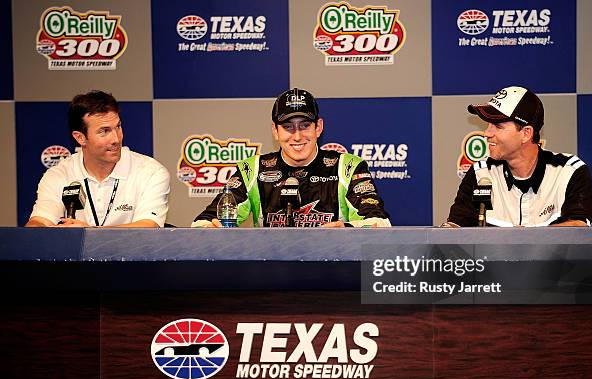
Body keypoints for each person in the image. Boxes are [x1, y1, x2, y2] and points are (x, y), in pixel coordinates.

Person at [192, 88, 391, 228]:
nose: (297, 136)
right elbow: (203, 222)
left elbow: (379, 223)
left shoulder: (348, 167)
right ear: (275, 131)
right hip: (270, 275)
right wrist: (212, 227)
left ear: (318, 127)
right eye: (288, 127)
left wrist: (347, 230)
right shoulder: (252, 168)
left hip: (333, 271)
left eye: (304, 125)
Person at [445, 86, 592, 227]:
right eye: (488, 125)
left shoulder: (569, 172)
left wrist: (523, 239)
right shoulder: (481, 174)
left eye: (498, 126)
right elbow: (454, 230)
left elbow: (578, 231)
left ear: (526, 133)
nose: (487, 133)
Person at [25, 90, 170, 228]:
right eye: (104, 131)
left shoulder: (150, 172)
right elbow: (40, 221)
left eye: (118, 127)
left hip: (131, 255)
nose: (116, 139)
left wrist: (88, 233)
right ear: (80, 138)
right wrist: (35, 231)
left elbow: (148, 227)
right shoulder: (58, 175)